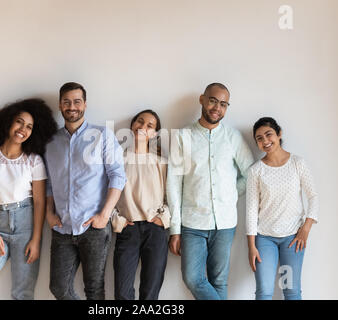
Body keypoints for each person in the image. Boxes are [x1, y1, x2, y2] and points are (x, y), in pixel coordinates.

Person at [166, 83, 254, 300]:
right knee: (193, 278)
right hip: (192, 223)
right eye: (213, 100)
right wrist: (174, 230)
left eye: (223, 104)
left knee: (219, 281)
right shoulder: (183, 136)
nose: (217, 107)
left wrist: (231, 194)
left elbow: (250, 174)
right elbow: (174, 184)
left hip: (225, 223)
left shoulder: (233, 137)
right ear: (202, 100)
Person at [0, 98, 58, 300]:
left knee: (22, 293)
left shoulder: (34, 161)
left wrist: (36, 240)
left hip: (26, 227)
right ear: (9, 122)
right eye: (19, 122)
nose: (23, 129)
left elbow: (39, 202)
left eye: (29, 127)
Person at [45, 82, 126, 300]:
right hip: (62, 227)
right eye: (67, 102)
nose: (72, 106)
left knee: (95, 290)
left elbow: (118, 175)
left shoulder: (102, 135)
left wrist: (104, 215)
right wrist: (49, 213)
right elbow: (49, 183)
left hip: (93, 227)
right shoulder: (50, 142)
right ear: (60, 105)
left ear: (85, 105)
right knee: (58, 288)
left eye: (77, 101)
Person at [246, 117, 318, 300]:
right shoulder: (256, 171)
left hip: (293, 239)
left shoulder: (297, 163)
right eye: (259, 138)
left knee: (292, 291)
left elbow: (313, 196)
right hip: (264, 239)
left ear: (279, 134)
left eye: (268, 134)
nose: (265, 141)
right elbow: (251, 210)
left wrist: (305, 229)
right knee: (264, 292)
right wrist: (252, 246)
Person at [111, 109, 170, 300]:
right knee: (122, 292)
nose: (143, 127)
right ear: (132, 125)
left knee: (150, 292)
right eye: (140, 122)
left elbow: (171, 197)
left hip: (155, 230)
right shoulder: (116, 161)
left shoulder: (162, 163)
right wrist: (117, 221)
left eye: (150, 125)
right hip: (128, 229)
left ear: (155, 134)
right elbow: (105, 196)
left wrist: (163, 219)